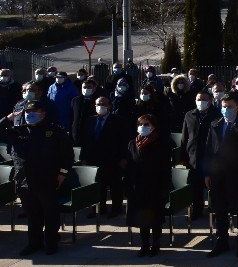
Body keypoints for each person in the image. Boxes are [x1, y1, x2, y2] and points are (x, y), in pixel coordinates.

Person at [0, 101, 74, 255]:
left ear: (43, 113)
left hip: (46, 179)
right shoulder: (18, 131)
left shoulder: (54, 131)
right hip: (24, 180)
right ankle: (34, 243)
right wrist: (11, 116)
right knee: (32, 214)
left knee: (50, 213)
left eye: (34, 112)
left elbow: (67, 155)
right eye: (27, 112)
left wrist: (62, 174)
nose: (29, 115)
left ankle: (51, 242)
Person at [205, 94, 238, 258]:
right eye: (223, 106)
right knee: (220, 210)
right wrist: (207, 173)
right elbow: (208, 151)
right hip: (218, 175)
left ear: (237, 107)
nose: (225, 109)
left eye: (229, 106)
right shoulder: (215, 125)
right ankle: (222, 242)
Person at [125, 114, 173, 257]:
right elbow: (129, 166)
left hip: (154, 185)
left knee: (155, 217)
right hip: (138, 187)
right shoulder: (132, 143)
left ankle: (156, 243)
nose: (143, 127)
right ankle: (144, 244)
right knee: (142, 218)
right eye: (141, 124)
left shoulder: (161, 143)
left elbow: (165, 167)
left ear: (153, 127)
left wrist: (165, 187)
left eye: (147, 125)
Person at [79, 96, 130, 217]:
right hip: (94, 159)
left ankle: (116, 209)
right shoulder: (90, 121)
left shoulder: (118, 120)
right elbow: (85, 140)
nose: (100, 106)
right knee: (98, 186)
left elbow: (125, 140)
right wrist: (84, 158)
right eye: (98, 104)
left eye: (103, 104)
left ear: (109, 106)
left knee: (115, 185)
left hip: (113, 159)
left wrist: (123, 158)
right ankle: (99, 209)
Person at [181, 90, 222, 220]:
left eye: (204, 99)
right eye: (198, 99)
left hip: (210, 157)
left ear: (210, 100)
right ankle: (197, 210)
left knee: (213, 185)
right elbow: (184, 137)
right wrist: (183, 155)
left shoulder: (217, 114)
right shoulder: (189, 115)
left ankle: (215, 210)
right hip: (193, 156)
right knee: (195, 187)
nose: (201, 102)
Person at [70, 78, 102, 146]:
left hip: (93, 134)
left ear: (94, 88)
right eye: (84, 87)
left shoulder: (99, 101)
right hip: (77, 134)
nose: (86, 89)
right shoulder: (76, 100)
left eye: (89, 87)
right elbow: (71, 116)